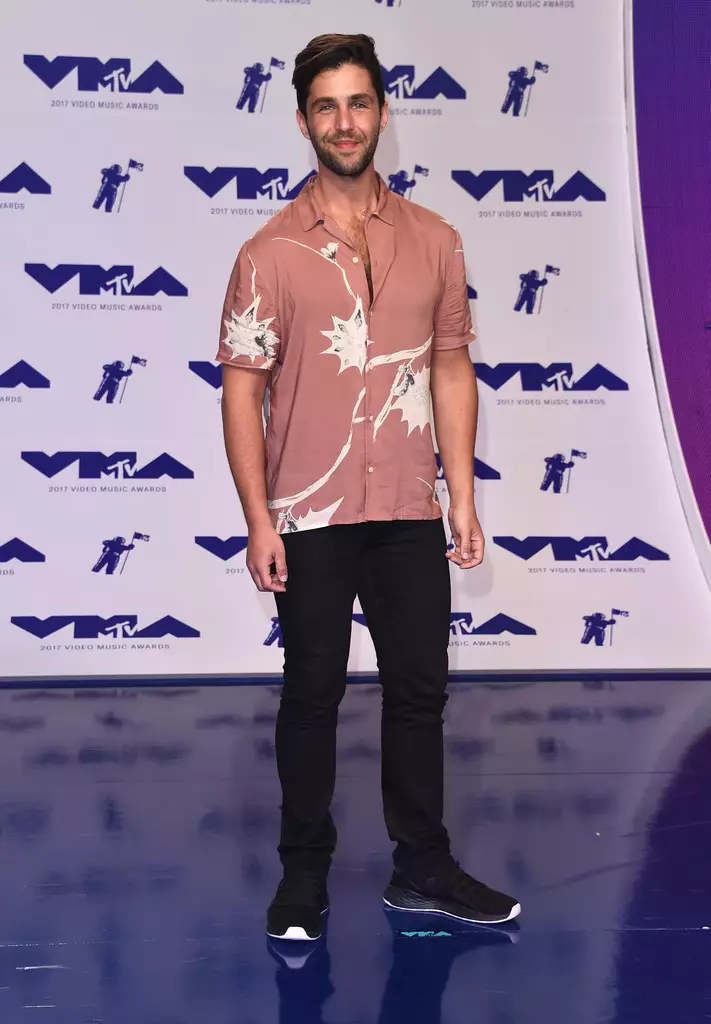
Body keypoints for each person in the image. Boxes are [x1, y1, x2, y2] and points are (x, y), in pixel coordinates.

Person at [216, 33, 520, 942]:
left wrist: (460, 496)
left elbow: (453, 370)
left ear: (383, 112)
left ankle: (420, 867)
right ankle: (302, 878)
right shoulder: (267, 252)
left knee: (419, 689)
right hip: (307, 512)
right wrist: (256, 518)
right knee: (311, 691)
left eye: (358, 103)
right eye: (325, 106)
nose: (343, 122)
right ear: (304, 119)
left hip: (405, 506)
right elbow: (243, 393)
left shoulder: (436, 239)